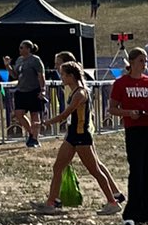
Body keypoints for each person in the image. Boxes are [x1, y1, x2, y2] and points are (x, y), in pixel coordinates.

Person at [38, 57, 124, 213]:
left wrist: (45, 123)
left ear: (71, 76)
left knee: (95, 170)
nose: (61, 77)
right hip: (72, 136)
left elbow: (65, 114)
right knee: (58, 167)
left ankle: (113, 202)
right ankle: (51, 202)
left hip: (81, 136)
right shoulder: (75, 91)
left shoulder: (80, 93)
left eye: (63, 74)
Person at [108, 40, 148, 225]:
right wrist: (128, 113)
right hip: (134, 130)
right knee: (137, 171)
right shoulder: (121, 83)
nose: (144, 64)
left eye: (145, 60)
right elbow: (112, 109)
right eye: (141, 60)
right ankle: (131, 213)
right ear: (132, 62)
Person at [13, 39, 48, 147]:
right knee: (19, 114)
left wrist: (42, 90)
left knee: (34, 115)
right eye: (19, 47)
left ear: (28, 49)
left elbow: (41, 75)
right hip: (21, 90)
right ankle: (32, 134)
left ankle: (34, 139)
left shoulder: (35, 60)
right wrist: (7, 66)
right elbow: (15, 75)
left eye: (22, 47)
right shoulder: (19, 60)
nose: (20, 49)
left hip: (33, 91)